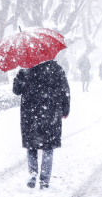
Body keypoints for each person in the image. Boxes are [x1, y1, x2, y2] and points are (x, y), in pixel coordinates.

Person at [12, 60, 70, 189]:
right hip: (51, 113)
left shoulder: (26, 68)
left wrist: (19, 76)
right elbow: (65, 91)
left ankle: (32, 173)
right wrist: (65, 109)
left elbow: (16, 90)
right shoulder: (56, 69)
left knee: (31, 145)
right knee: (48, 147)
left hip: (30, 114)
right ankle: (44, 181)